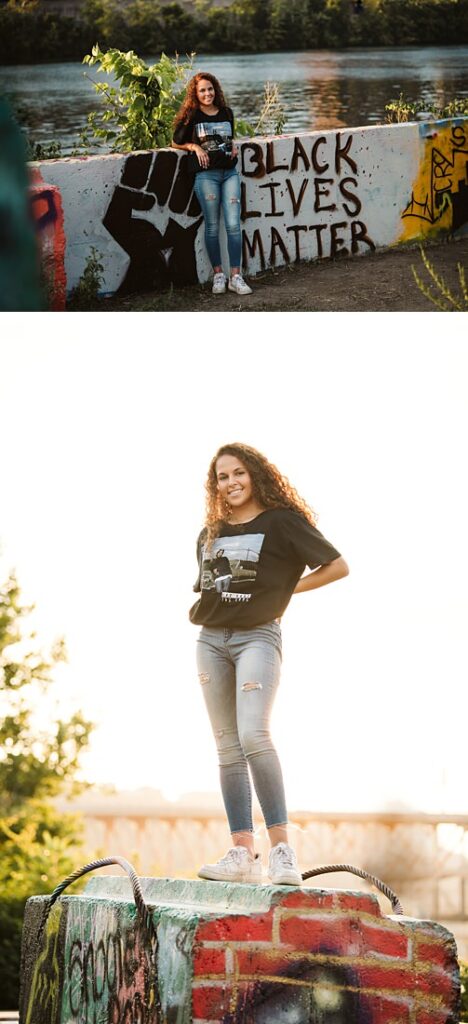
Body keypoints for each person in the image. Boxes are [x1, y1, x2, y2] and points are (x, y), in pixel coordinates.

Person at [190, 443, 349, 885]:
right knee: (226, 746)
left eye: (238, 472)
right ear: (215, 484)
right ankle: (242, 854)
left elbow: (337, 566)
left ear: (255, 474)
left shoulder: (282, 523)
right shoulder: (210, 532)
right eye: (222, 476)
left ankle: (281, 851)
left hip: (258, 637)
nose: (231, 482)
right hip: (210, 642)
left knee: (254, 734)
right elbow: (210, 590)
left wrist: (283, 593)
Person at [172, 72, 252, 297]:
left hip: (230, 174)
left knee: (233, 224)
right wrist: (195, 147)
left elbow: (227, 138)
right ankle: (219, 274)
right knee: (212, 225)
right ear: (195, 94)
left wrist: (233, 145)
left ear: (215, 90)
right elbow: (175, 142)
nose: (207, 93)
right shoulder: (193, 116)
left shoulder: (227, 113)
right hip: (206, 176)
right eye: (202, 90)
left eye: (210, 89)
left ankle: (235, 277)